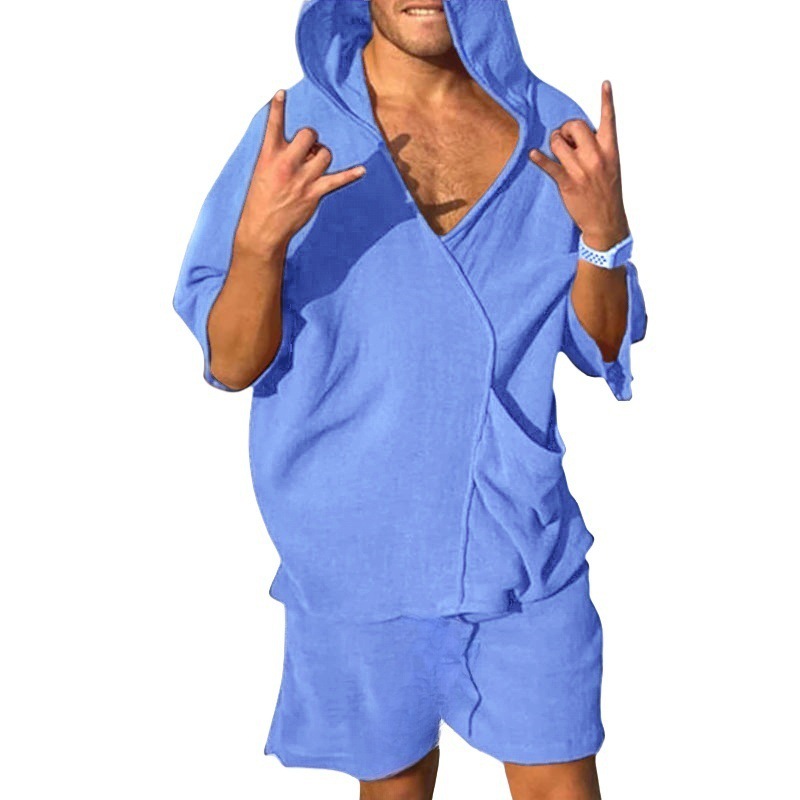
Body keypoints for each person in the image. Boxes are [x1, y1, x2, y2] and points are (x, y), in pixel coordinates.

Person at [172, 0, 648, 797]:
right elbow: (231, 361)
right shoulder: (299, 132)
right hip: (359, 544)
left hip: (520, 540)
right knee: (394, 790)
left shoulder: (550, 126)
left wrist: (604, 238)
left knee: (563, 784)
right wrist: (258, 243)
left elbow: (601, 346)